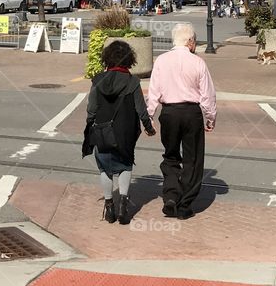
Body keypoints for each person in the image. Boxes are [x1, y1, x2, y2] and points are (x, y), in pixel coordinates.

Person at [146, 23, 217, 220]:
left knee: (170, 155)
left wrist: (148, 116)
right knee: (192, 159)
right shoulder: (198, 62)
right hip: (191, 113)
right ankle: (184, 204)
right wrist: (210, 118)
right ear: (190, 42)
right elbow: (207, 96)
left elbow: (153, 92)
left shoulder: (161, 60)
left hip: (169, 112)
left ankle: (170, 195)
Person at [82, 41, 156, 225]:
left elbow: (91, 109)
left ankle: (109, 206)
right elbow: (141, 109)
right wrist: (148, 127)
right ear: (129, 59)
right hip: (125, 132)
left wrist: (90, 124)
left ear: (107, 57)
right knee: (125, 165)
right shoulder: (132, 82)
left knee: (104, 168)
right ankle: (123, 204)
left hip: (102, 131)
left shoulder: (98, 81)